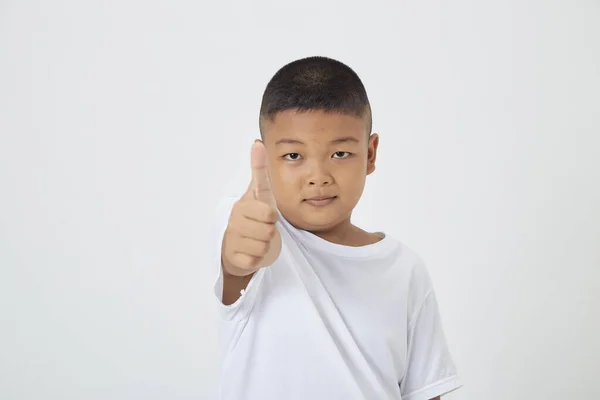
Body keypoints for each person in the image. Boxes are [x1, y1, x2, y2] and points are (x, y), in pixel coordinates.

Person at [211, 56, 462, 400]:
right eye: (294, 156)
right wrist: (240, 260)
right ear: (266, 157)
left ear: (370, 154)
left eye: (340, 153)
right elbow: (237, 266)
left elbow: (425, 391)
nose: (318, 176)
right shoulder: (245, 224)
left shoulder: (405, 270)